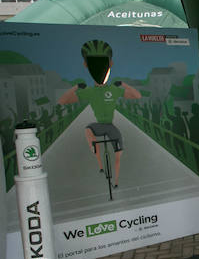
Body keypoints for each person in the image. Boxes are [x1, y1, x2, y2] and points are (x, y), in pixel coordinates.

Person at [58, 39, 142, 188]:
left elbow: (137, 96)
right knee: (88, 129)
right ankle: (99, 162)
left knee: (118, 154)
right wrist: (76, 87)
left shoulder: (114, 90)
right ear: (86, 65)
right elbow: (62, 101)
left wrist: (123, 85)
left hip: (110, 126)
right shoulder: (89, 92)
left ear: (110, 64)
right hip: (99, 125)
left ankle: (115, 181)